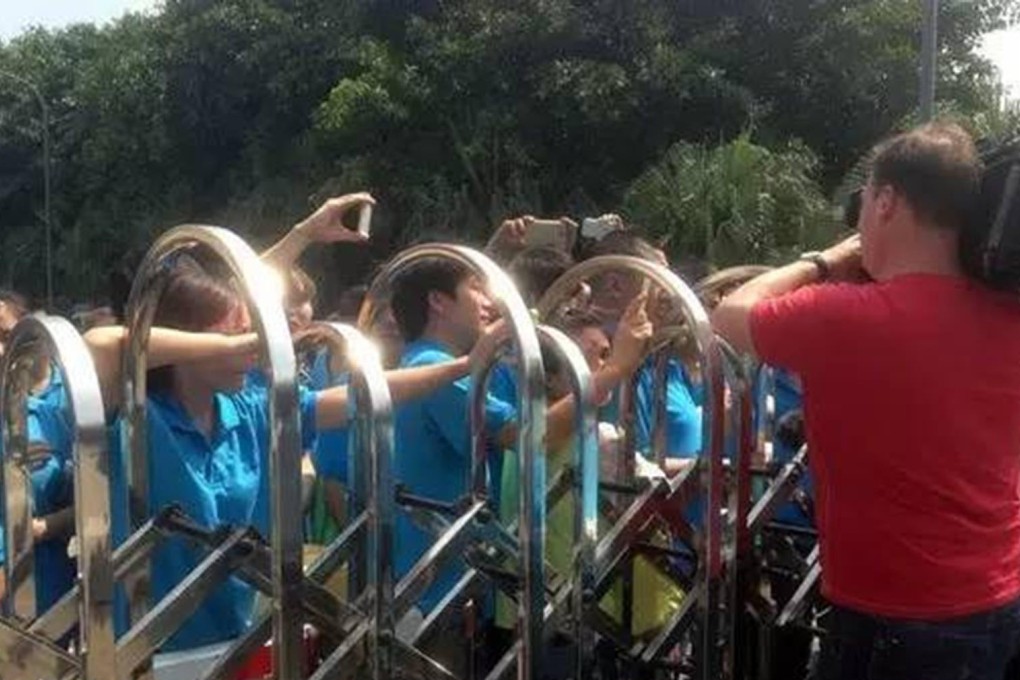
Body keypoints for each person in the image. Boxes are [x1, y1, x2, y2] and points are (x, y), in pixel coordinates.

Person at [84, 193, 501, 652]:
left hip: (235, 645)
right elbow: (101, 347)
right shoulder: (137, 416)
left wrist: (465, 366)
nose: (255, 344)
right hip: (147, 653)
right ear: (187, 343)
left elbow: (362, 394)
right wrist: (234, 345)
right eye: (235, 334)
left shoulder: (248, 409)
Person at [711, 122, 1020, 680]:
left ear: (884, 201)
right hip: (996, 599)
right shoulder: (1007, 316)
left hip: (896, 620)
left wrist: (827, 259)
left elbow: (730, 315)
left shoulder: (847, 317)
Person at [387, 257, 652, 654]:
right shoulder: (433, 367)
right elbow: (532, 436)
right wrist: (613, 369)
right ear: (438, 302)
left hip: (448, 581)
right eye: (476, 287)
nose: (487, 301)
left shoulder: (431, 365)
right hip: (439, 592)